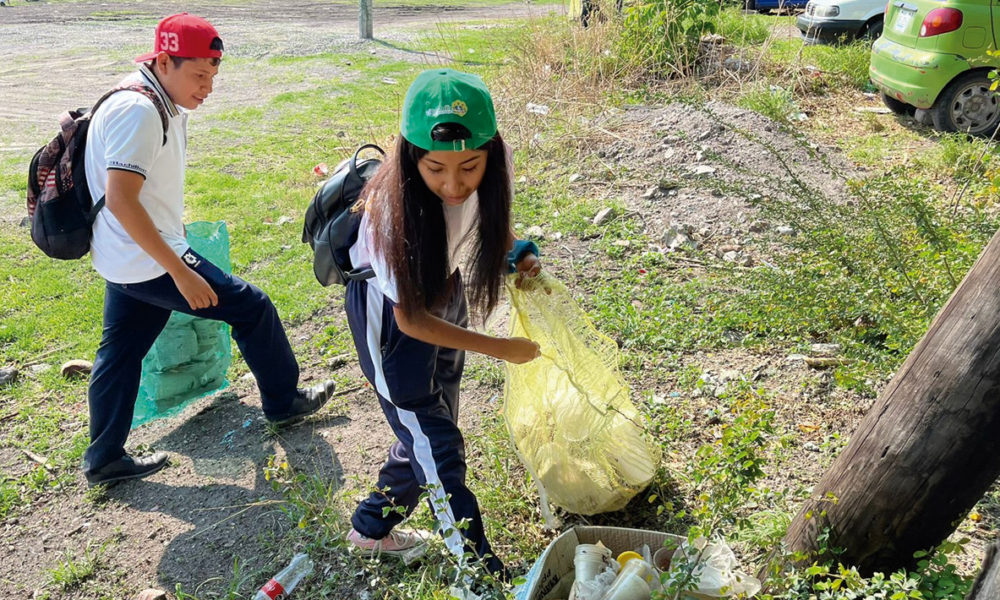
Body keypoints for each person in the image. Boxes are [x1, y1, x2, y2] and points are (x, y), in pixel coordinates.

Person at [82, 13, 334, 487]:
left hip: (124, 257)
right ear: (163, 61)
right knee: (252, 308)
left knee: (120, 350)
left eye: (213, 75)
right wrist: (179, 270)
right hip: (148, 259)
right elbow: (120, 198)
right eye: (199, 75)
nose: (208, 88)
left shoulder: (143, 93)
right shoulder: (139, 110)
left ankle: (104, 459)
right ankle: (284, 402)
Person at [342, 68, 543, 579]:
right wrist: (501, 347)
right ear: (411, 159)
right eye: (435, 170)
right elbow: (409, 320)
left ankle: (369, 529)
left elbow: (481, 221)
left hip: (443, 291)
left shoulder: (481, 181)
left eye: (470, 167)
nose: (454, 185)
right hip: (392, 321)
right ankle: (479, 574)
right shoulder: (391, 212)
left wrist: (514, 252)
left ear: (490, 155)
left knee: (428, 434)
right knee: (439, 446)